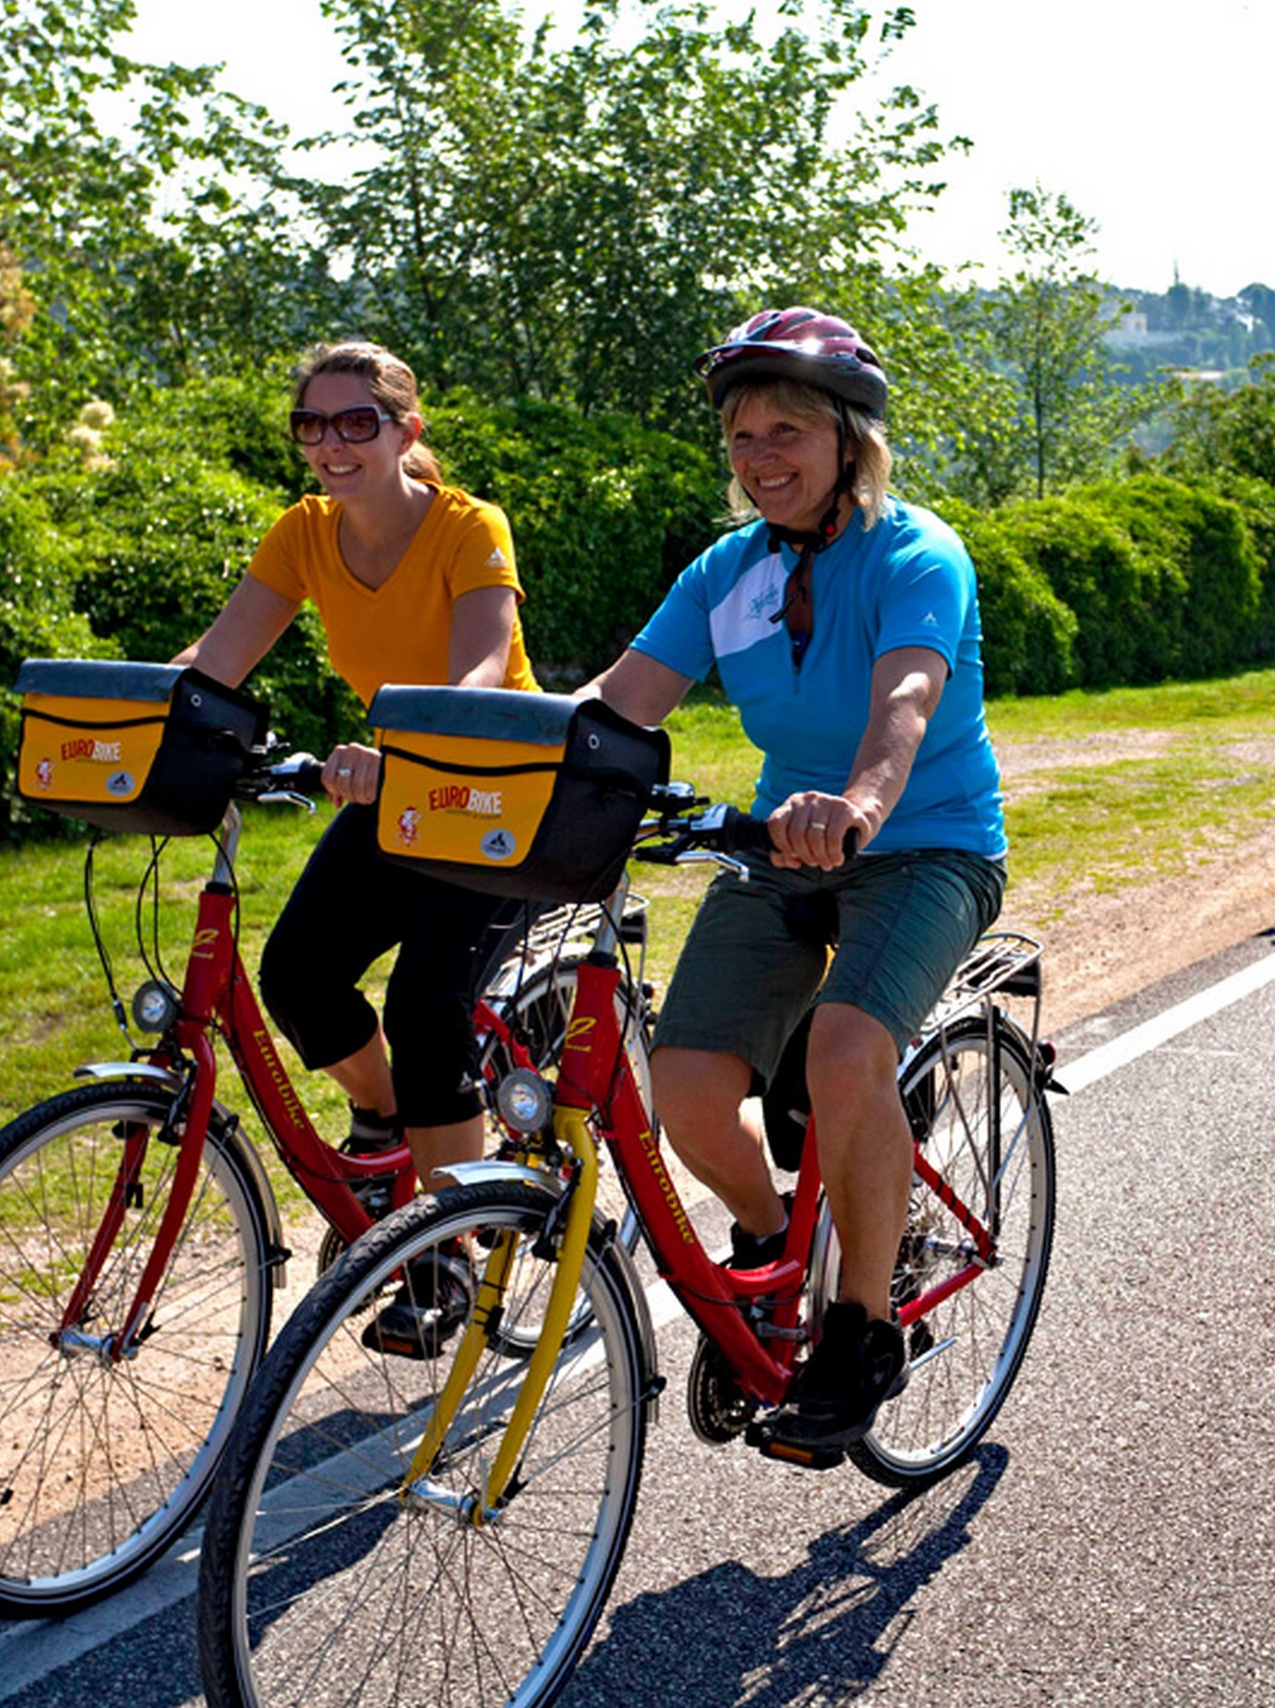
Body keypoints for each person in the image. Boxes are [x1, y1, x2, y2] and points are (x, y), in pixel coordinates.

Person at [582, 308, 1007, 1452]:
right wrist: (460, 764)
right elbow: (613, 707)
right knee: (679, 1083)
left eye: (787, 430)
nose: (760, 455)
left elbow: (907, 699)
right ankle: (773, 1243)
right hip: (780, 847)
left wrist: (863, 800)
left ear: (848, 440)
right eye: (741, 436)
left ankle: (863, 1332)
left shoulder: (918, 552)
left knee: (841, 1051)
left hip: (926, 844)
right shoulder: (727, 573)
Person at [176, 341, 541, 1346]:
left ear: (404, 432)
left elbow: (475, 676)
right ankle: (385, 1128)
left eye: (355, 423)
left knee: (426, 1002)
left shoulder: (469, 528)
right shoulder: (304, 533)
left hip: (499, 795)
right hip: (395, 791)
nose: (331, 444)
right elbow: (215, 662)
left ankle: (447, 1257)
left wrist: (394, 749)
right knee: (296, 974)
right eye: (312, 426)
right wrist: (125, 715)